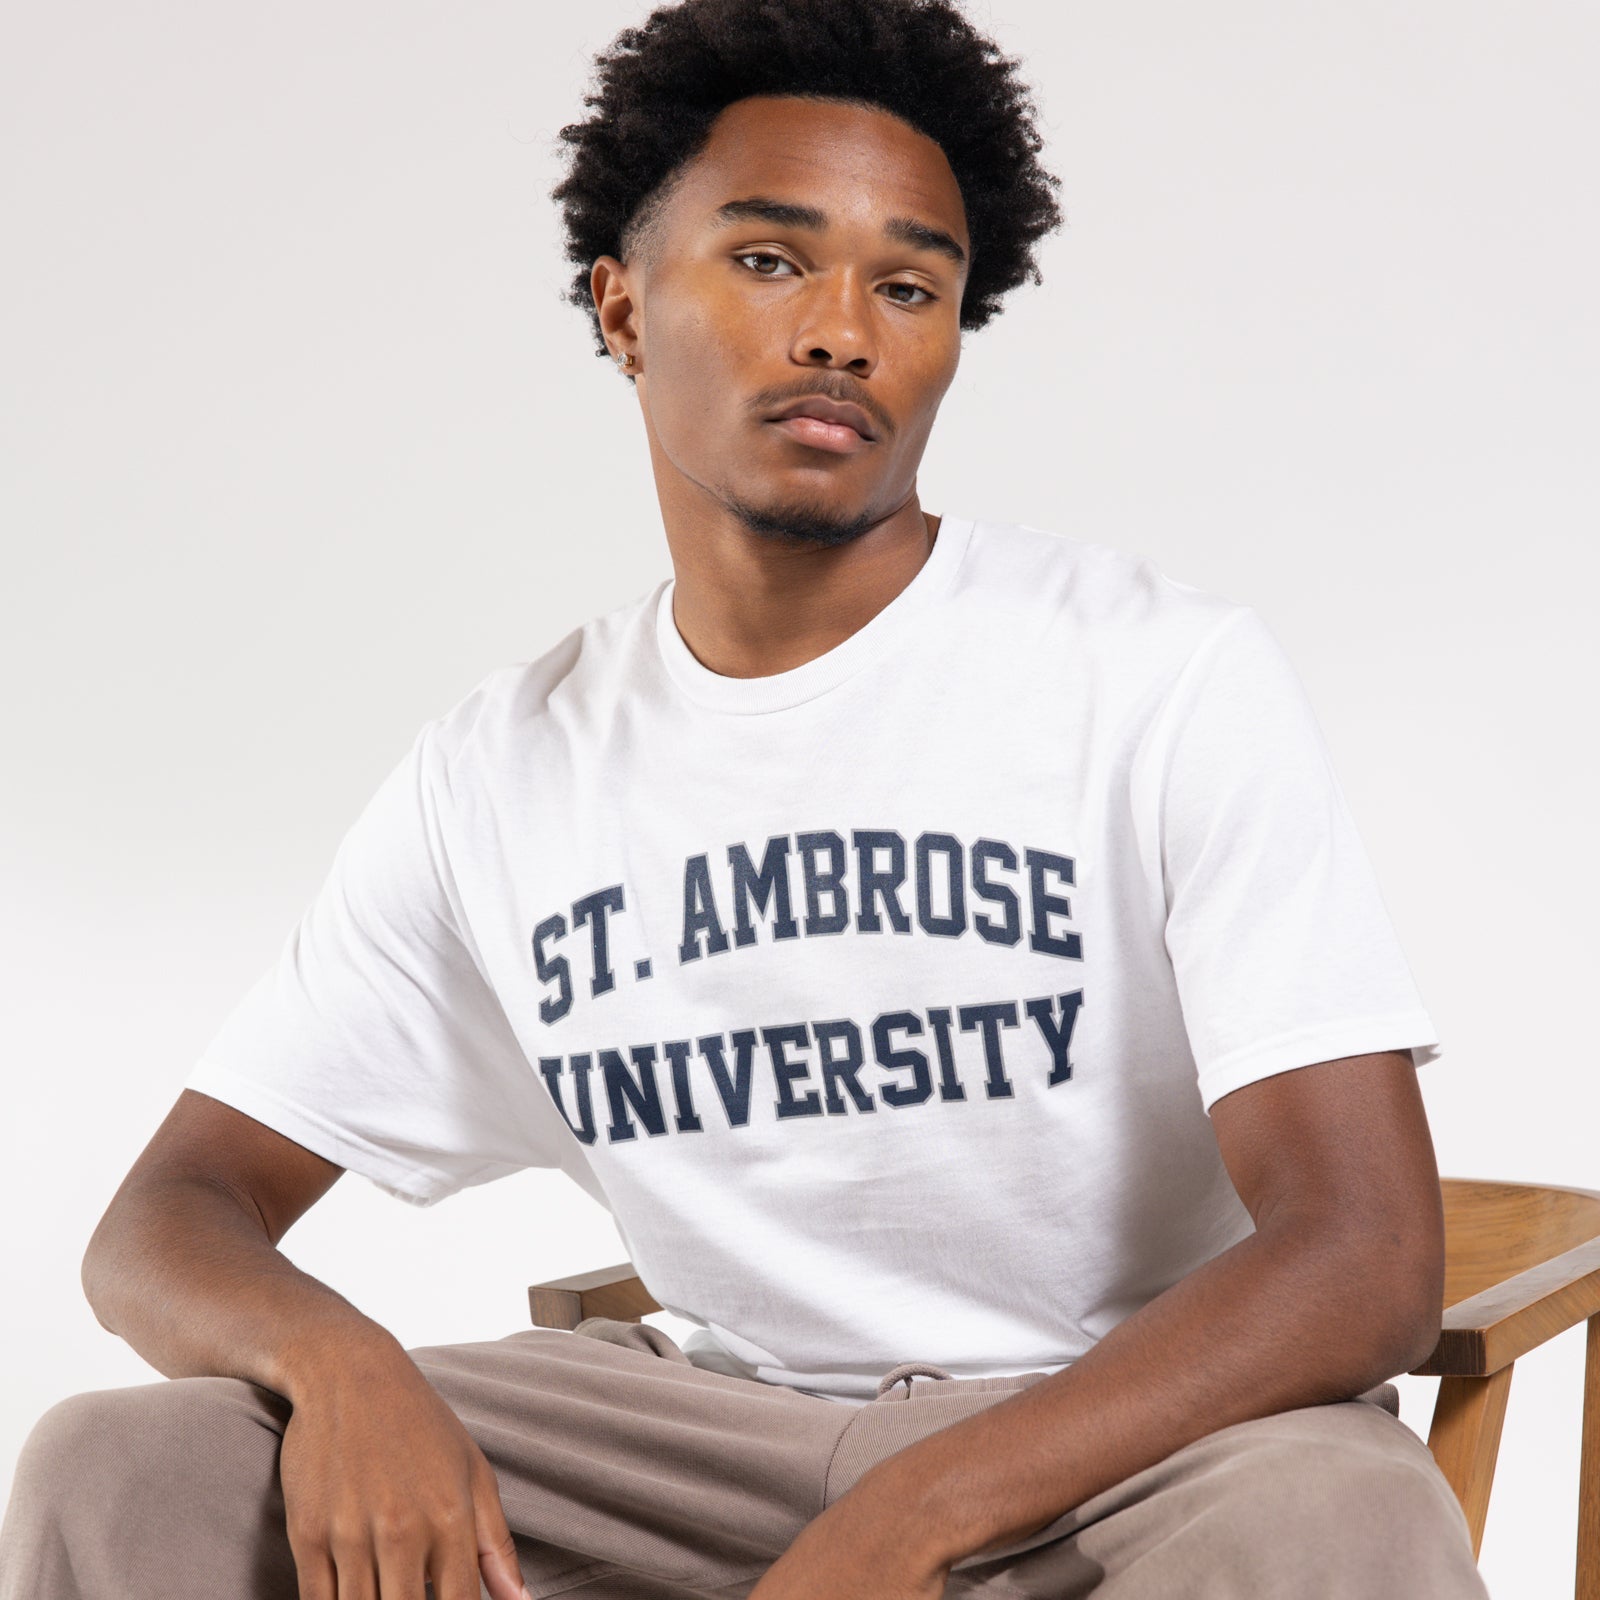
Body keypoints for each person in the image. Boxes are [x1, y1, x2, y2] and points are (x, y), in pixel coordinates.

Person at [0, 0, 1492, 1596]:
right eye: (774, 260)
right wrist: (344, 1367)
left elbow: (1365, 1256)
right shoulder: (503, 774)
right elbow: (166, 1216)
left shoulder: (1156, 678)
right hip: (691, 1440)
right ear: (623, 306)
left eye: (909, 286)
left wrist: (904, 1520)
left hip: (1102, 1450)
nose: (844, 328)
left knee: (1341, 1518)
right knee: (128, 1464)